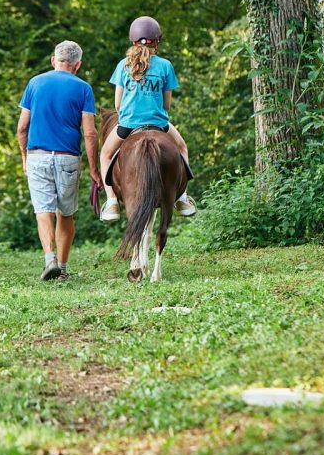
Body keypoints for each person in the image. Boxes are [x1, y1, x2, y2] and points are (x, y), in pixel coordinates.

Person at [16, 40, 103, 280]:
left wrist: (25, 158)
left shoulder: (35, 83)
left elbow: (22, 128)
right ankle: (62, 269)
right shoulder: (84, 88)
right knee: (66, 214)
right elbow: (90, 133)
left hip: (38, 157)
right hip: (68, 160)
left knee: (43, 211)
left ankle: (49, 259)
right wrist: (94, 169)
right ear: (78, 65)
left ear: (54, 60)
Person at [99, 16, 196, 222]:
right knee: (182, 148)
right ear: (157, 41)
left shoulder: (123, 65)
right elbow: (166, 105)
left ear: (133, 41)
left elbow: (117, 104)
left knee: (106, 155)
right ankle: (182, 198)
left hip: (127, 125)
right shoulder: (165, 66)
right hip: (159, 124)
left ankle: (112, 202)